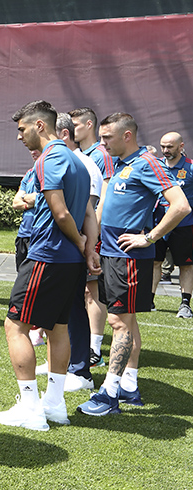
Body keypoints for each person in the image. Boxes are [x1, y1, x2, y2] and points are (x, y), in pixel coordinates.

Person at [0, 100, 99, 431]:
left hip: (48, 255)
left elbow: (61, 212)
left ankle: (31, 409)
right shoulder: (79, 163)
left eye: (22, 129)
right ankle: (54, 406)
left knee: (15, 326)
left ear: (40, 126)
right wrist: (88, 248)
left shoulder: (50, 159)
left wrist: (82, 243)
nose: (19, 136)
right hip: (69, 261)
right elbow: (88, 213)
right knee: (58, 328)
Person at [78, 113, 191, 416]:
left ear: (127, 135)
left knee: (119, 323)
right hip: (112, 254)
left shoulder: (147, 163)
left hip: (129, 258)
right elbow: (105, 208)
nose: (103, 144)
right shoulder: (120, 164)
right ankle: (129, 385)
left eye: (107, 138)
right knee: (127, 321)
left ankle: (110, 393)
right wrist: (93, 245)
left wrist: (149, 238)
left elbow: (180, 206)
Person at [33, 113, 104, 392]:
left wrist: (86, 246)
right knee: (61, 312)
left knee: (74, 308)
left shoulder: (82, 164)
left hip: (68, 249)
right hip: (68, 247)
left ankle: (80, 369)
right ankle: (62, 367)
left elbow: (88, 211)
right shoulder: (68, 161)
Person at [70, 107, 115, 367]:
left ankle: (94, 348)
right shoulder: (84, 154)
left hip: (95, 233)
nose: (73, 128)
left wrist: (92, 232)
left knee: (92, 290)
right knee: (83, 291)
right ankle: (86, 343)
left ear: (89, 124)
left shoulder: (100, 154)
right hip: (85, 231)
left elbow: (103, 196)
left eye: (77, 124)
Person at [157, 132, 193, 318]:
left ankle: (185, 304)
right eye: (163, 146)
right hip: (157, 223)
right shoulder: (155, 166)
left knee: (186, 265)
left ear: (181, 146)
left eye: (170, 147)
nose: (165, 150)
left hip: (184, 224)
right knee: (155, 262)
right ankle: (149, 300)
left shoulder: (191, 167)